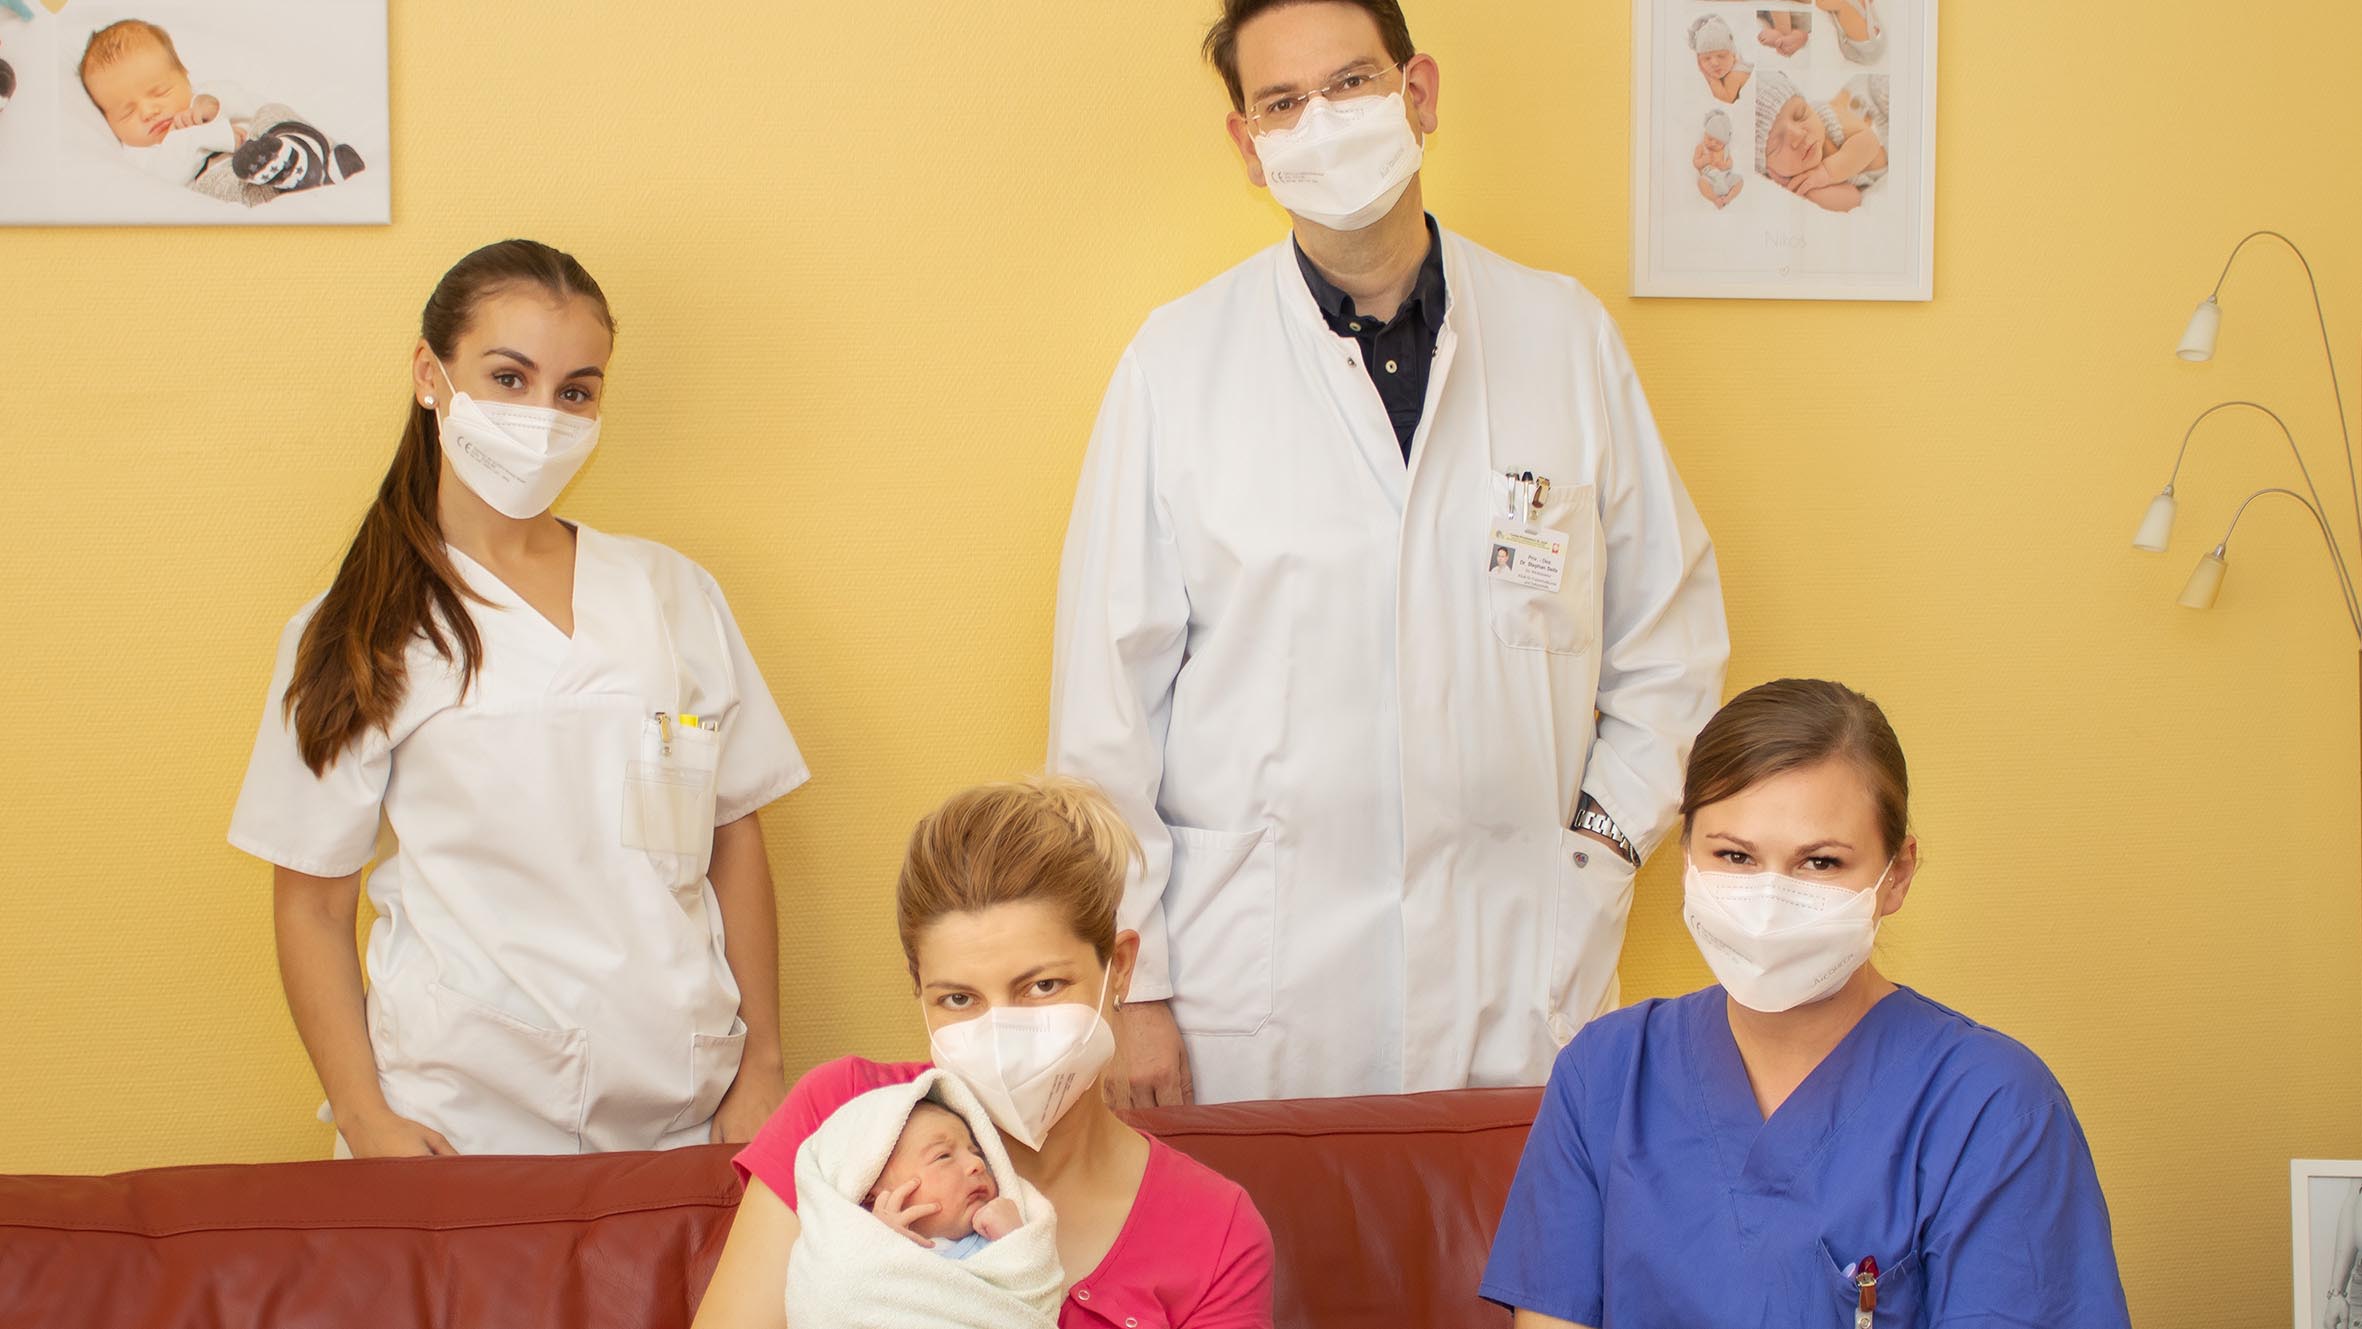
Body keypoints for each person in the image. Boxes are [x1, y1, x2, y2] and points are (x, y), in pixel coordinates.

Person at [1050, 0, 1728, 1107]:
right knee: (1269, 1276)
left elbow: (1670, 641)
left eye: (1351, 84)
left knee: (1511, 1267)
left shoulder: (1562, 337)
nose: (1321, 121)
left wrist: (1598, 853)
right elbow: (1104, 714)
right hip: (1253, 980)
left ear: (1418, 94)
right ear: (1248, 148)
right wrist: (1137, 984)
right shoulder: (1176, 364)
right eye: (1282, 102)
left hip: (1519, 959)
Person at [230, 239, 808, 1157]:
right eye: (509, 377)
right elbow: (311, 905)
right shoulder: (357, 628)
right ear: (432, 375)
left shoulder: (670, 592)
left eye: (576, 390)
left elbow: (734, 832)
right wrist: (366, 1116)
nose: (543, 416)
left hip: (684, 1105)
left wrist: (763, 1065)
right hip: (457, 1122)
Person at [1480, 680, 2133, 1328]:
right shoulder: (1607, 1071)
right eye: (1734, 854)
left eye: (1819, 863)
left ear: (1897, 875)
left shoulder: (1992, 1107)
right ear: (1685, 858)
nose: (1769, 900)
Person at [694, 777, 1275, 1328]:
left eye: (1042, 986)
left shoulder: (1214, 1230)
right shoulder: (843, 1113)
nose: (1001, 1032)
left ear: (1118, 968)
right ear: (918, 990)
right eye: (959, 997)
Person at [78, 19, 366, 205]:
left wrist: (213, 105)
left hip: (270, 143)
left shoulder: (204, 95)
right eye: (126, 113)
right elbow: (167, 175)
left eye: (159, 92)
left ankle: (314, 155)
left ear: (185, 77)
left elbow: (251, 106)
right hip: (227, 176)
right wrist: (212, 134)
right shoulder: (139, 155)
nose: (149, 111)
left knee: (272, 110)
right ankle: (303, 171)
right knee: (231, 188)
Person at [866, 1100, 1024, 1259]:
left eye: (977, 1153)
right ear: (875, 1199)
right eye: (943, 1156)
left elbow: (1039, 1279)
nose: (978, 1163)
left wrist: (1015, 1238)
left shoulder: (1001, 1234)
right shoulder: (878, 1260)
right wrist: (883, 1244)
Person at [1756, 69, 1889, 213]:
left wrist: (1828, 172)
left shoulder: (1826, 118)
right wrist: (1802, 191)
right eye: (1778, 143)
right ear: (1769, 170)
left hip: (1872, 101)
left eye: (1800, 114)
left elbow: (1870, 141)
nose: (1799, 135)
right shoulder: (1800, 178)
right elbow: (1854, 198)